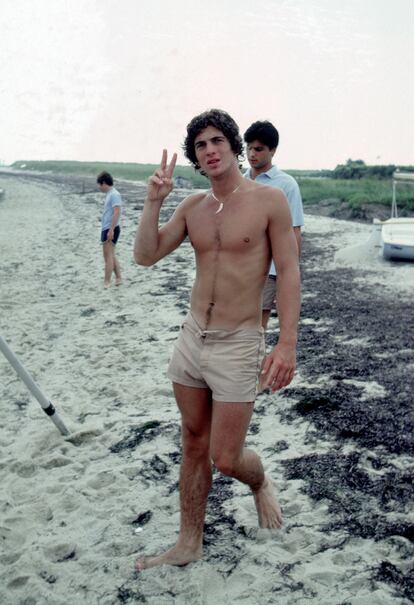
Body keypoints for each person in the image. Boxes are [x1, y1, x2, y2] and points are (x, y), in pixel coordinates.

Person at [134, 109, 300, 571]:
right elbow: (146, 256)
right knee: (192, 442)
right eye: (201, 145)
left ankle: (259, 480)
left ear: (232, 145)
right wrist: (153, 202)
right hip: (192, 339)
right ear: (196, 156)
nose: (209, 150)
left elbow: (288, 272)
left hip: (239, 340)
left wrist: (285, 344)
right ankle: (189, 542)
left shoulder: (269, 201)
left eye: (217, 141)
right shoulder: (192, 208)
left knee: (226, 457)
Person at [244, 121, 304, 329]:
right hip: (238, 267)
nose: (252, 154)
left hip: (269, 269)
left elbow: (294, 232)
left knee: (257, 328)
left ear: (273, 150)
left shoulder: (286, 185)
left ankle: (255, 363)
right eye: (248, 148)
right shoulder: (240, 182)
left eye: (258, 149)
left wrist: (288, 281)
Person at [97, 171, 122, 288]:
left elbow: (117, 212)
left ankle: (107, 281)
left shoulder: (114, 194)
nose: (99, 187)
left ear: (103, 183)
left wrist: (111, 230)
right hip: (107, 227)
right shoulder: (110, 194)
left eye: (99, 184)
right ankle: (118, 278)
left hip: (111, 228)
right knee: (111, 254)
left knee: (108, 256)